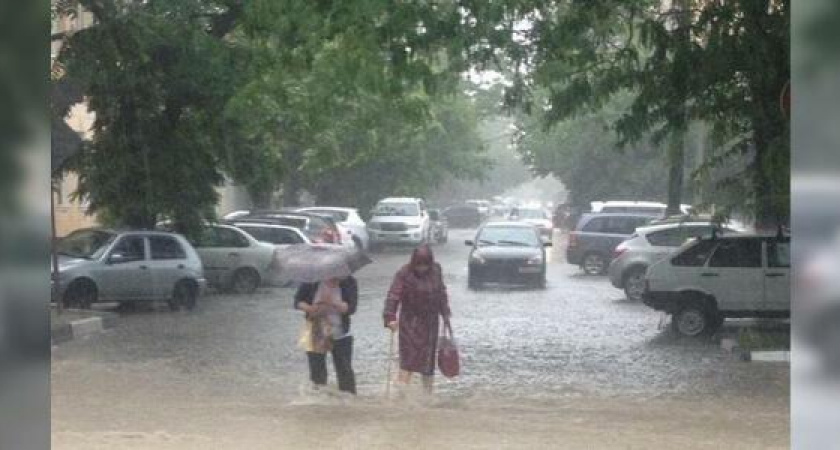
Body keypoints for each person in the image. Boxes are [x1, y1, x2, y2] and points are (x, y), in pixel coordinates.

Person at [384, 245, 451, 393]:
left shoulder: (436, 271)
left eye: (425, 264)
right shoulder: (404, 273)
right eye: (419, 264)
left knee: (428, 363)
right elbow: (393, 295)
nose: (422, 268)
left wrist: (445, 313)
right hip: (410, 322)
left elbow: (441, 292)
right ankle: (401, 395)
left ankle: (427, 396)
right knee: (408, 360)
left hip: (430, 323)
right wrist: (390, 317)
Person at [294, 276, 358, 394]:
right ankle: (320, 403)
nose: (335, 276)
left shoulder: (349, 282)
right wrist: (310, 308)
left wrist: (334, 303)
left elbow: (352, 308)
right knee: (317, 373)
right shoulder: (311, 280)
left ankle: (349, 405)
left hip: (341, 332)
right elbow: (297, 301)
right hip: (316, 332)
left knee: (345, 371)